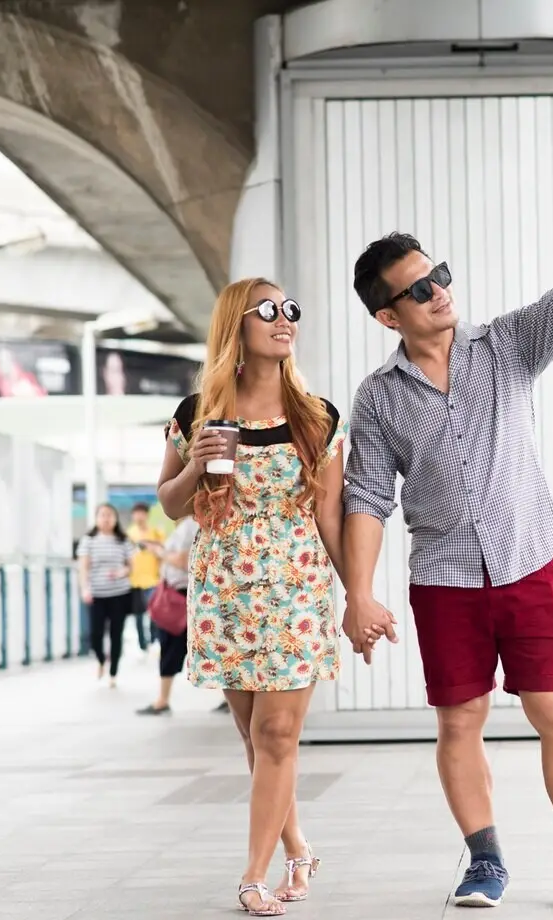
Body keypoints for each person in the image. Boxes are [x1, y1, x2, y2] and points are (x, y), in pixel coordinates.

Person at [341, 169, 553, 912]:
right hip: (444, 581)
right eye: (419, 289)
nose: (440, 292)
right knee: (459, 721)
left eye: (440, 275)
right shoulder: (379, 397)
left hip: (530, 564)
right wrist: (358, 594)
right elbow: (367, 496)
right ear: (388, 317)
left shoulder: (507, 346)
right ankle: (485, 860)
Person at [156, 278, 345, 916]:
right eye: (269, 310)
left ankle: (254, 874)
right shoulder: (196, 414)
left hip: (295, 587)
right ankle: (298, 849)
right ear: (238, 323)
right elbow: (169, 504)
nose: (285, 318)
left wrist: (360, 599)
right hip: (226, 589)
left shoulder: (316, 416)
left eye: (291, 308)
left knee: (277, 731)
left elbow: (329, 516)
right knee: (255, 736)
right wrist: (192, 464)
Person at [138, 513, 198, 715]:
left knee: (171, 645)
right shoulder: (186, 525)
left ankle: (162, 700)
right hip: (180, 592)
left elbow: (183, 560)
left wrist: (158, 552)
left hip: (180, 595)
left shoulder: (191, 524)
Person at [75, 503, 136, 688]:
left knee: (117, 634)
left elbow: (131, 566)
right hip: (97, 594)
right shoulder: (88, 540)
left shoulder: (123, 540)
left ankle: (113, 672)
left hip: (119, 593)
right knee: (95, 634)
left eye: (110, 515)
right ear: (97, 518)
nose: (106, 518)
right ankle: (101, 659)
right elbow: (83, 567)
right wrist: (85, 588)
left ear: (115, 518)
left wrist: (122, 572)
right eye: (102, 515)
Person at [126, 502, 166, 651]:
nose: (139, 516)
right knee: (138, 614)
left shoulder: (155, 532)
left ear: (147, 515)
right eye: (136, 513)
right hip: (134, 580)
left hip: (153, 579)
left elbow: (162, 553)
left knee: (153, 612)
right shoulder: (129, 534)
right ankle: (142, 644)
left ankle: (154, 639)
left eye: (142, 513)